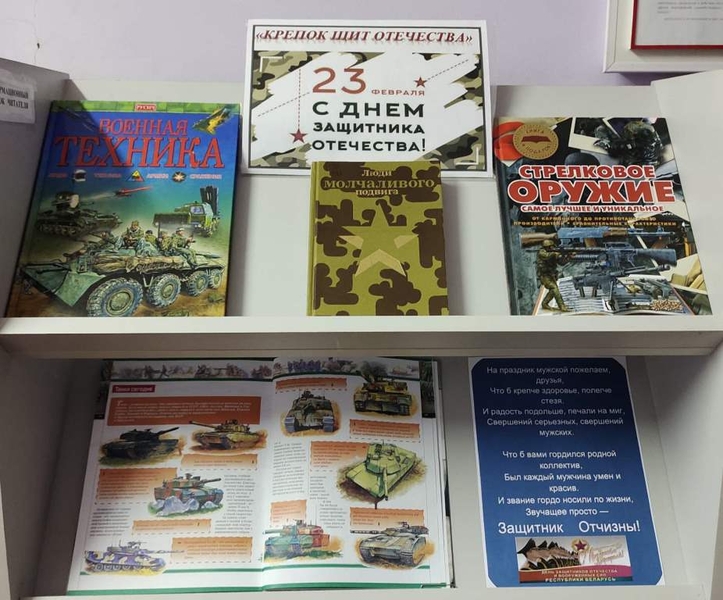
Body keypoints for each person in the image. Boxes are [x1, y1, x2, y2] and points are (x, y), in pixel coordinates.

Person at [536, 239, 570, 312]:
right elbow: (547, 256)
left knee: (553, 290)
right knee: (554, 289)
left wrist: (567, 257)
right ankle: (562, 306)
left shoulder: (553, 253)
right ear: (548, 247)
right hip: (544, 275)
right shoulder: (542, 252)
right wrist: (555, 253)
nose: (553, 248)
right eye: (551, 247)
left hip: (551, 274)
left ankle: (545, 303)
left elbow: (561, 263)